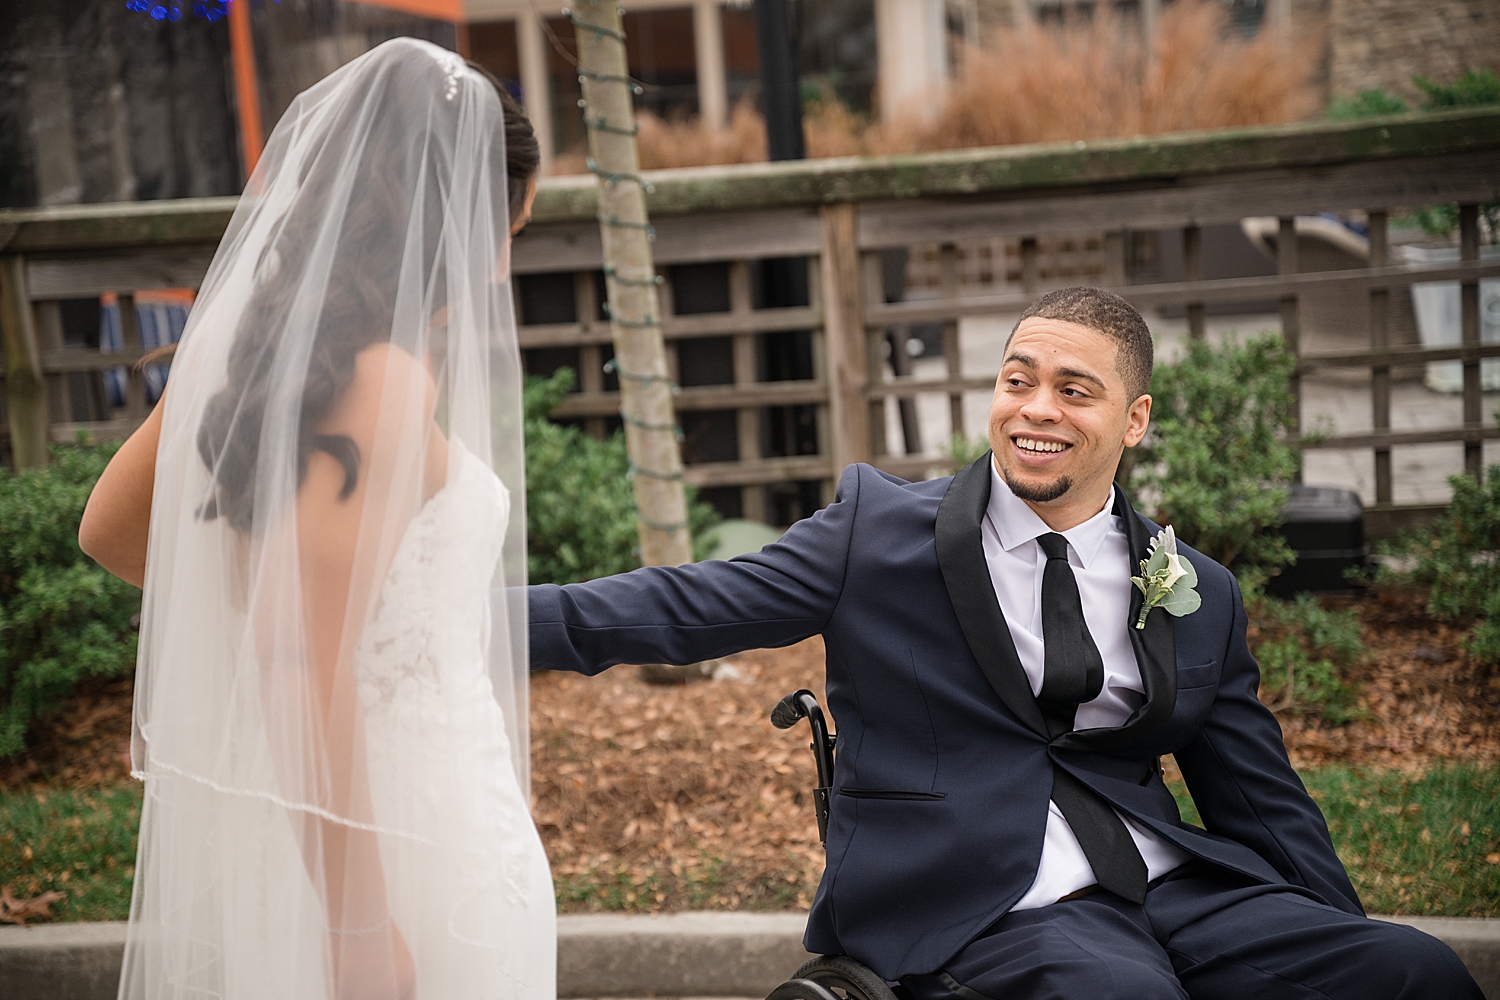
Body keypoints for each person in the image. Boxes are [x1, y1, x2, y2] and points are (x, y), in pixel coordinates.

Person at [527, 286, 1482, 999]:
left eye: (1076, 390)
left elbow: (1259, 796)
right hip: (977, 901)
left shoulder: (1196, 590)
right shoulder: (877, 534)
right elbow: (677, 607)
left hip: (1160, 884)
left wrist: (1331, 928)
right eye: (1019, 381)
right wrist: (467, 624)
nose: (1036, 410)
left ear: (1134, 421)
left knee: (1408, 971)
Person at [79, 38, 552, 1000]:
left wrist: (253, 593)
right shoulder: (381, 385)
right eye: (503, 232)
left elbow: (113, 533)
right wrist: (360, 926)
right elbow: (297, 653)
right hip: (404, 847)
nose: (497, 272)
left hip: (329, 818)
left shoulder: (250, 352)